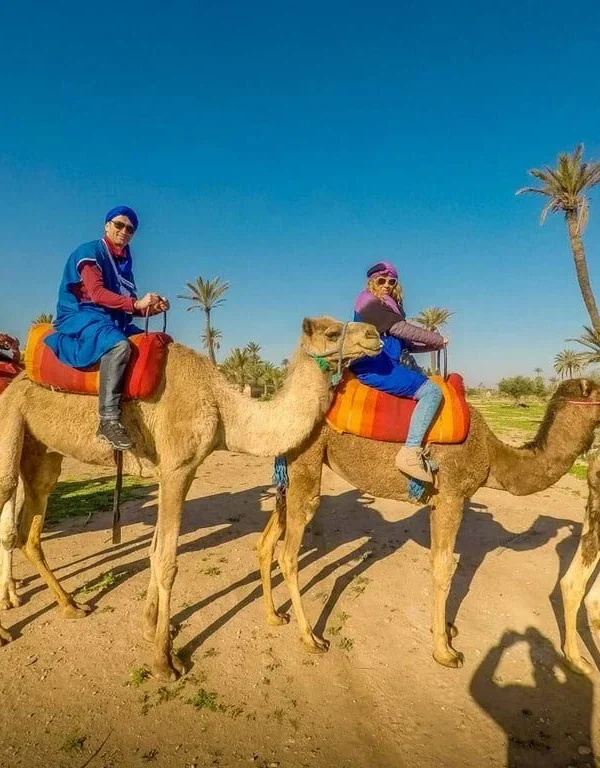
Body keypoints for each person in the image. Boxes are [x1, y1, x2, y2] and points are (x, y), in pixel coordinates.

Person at [46, 206, 169, 450]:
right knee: (119, 346)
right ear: (107, 225)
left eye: (130, 229)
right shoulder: (91, 251)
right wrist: (136, 303)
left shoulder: (124, 264)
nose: (124, 232)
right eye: (119, 225)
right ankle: (108, 419)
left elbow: (127, 306)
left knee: (158, 342)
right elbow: (97, 293)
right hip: (82, 315)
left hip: (112, 319)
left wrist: (151, 308)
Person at [351, 261, 446, 482]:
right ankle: (410, 451)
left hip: (389, 364)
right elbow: (399, 329)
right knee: (432, 392)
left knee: (428, 384)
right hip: (374, 366)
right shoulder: (367, 303)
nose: (386, 285)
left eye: (391, 281)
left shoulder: (390, 308)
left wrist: (434, 346)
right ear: (372, 282)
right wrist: (437, 337)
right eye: (381, 280)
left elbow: (406, 343)